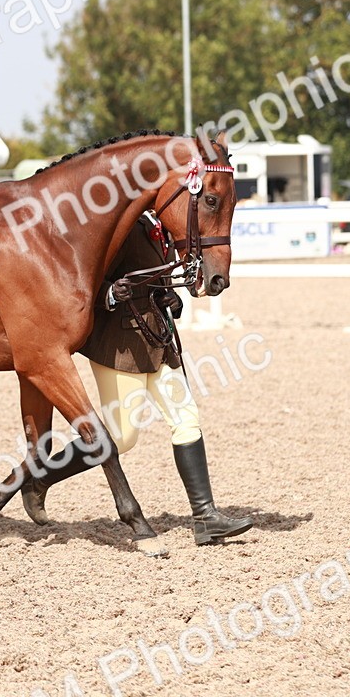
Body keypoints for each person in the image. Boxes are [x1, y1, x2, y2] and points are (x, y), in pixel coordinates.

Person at [24, 210, 253, 545]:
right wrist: (109, 293)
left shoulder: (163, 227)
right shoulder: (120, 223)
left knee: (185, 419)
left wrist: (171, 300)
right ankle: (40, 478)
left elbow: (159, 281)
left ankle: (206, 518)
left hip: (158, 338)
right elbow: (81, 279)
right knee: (122, 437)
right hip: (121, 343)